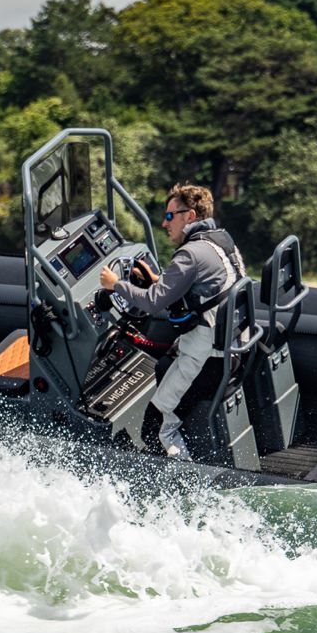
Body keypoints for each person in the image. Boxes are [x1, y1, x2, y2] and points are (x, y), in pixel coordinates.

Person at [99, 184, 245, 460]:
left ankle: (180, 480)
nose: (165, 224)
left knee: (156, 426)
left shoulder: (189, 253)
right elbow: (197, 289)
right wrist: (158, 281)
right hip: (230, 348)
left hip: (207, 357)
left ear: (189, 216)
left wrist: (115, 284)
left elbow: (154, 302)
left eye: (170, 216)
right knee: (165, 363)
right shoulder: (221, 241)